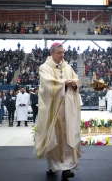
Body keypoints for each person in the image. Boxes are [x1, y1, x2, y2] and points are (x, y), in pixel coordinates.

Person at [34, 42, 81, 180]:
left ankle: (67, 168)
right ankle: (52, 166)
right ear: (52, 53)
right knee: (53, 138)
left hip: (67, 109)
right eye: (59, 53)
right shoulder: (44, 68)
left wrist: (74, 83)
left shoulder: (67, 67)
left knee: (68, 136)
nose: (62, 55)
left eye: (63, 52)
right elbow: (48, 84)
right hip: (53, 109)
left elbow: (76, 79)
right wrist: (63, 83)